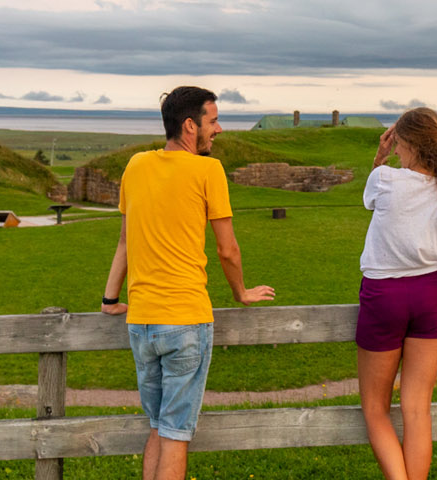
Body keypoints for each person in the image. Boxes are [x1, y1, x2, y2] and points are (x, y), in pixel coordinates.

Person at [99, 86, 277, 480]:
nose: (219, 129)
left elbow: (125, 241)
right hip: (185, 321)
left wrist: (110, 298)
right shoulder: (208, 171)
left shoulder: (136, 165)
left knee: (159, 428)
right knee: (177, 435)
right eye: (213, 121)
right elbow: (228, 250)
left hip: (142, 323)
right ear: (190, 126)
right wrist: (241, 292)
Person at [355, 108, 437, 480]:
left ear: (402, 143)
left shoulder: (384, 179)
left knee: (376, 408)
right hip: (431, 296)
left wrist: (380, 155)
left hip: (383, 295)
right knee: (417, 408)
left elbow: (368, 199)